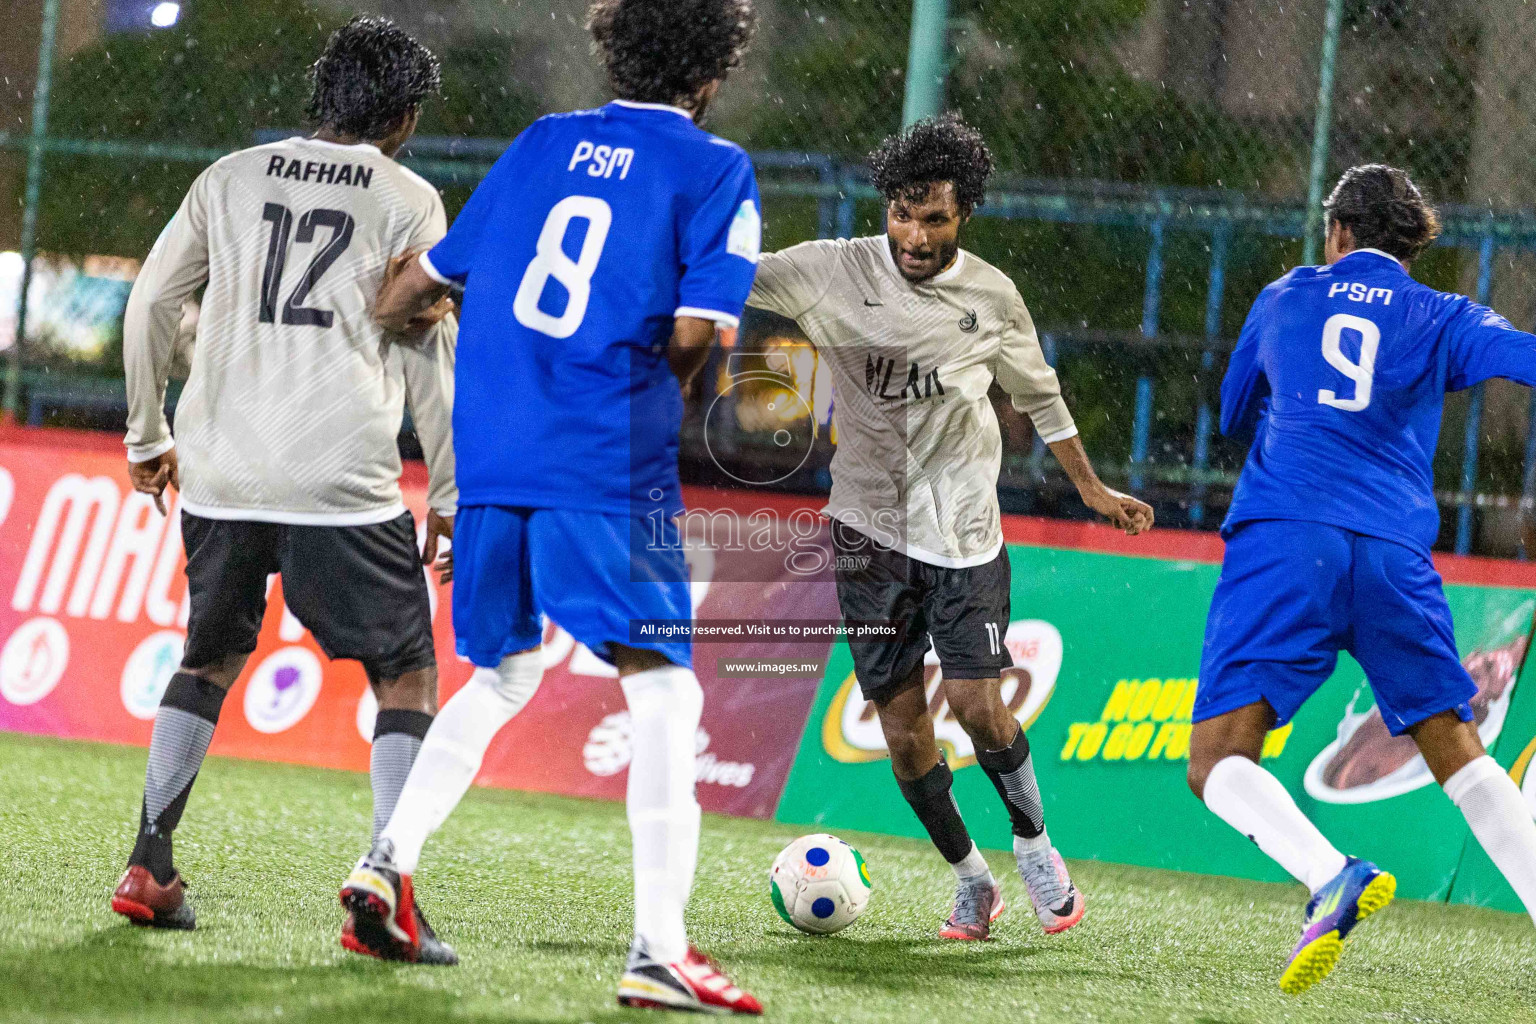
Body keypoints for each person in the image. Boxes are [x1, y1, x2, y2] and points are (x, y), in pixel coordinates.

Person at [337, 0, 764, 1012]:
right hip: (602, 464)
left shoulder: (540, 144)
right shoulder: (714, 169)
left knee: (506, 667)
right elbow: (701, 337)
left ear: (616, 50)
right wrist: (673, 387)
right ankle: (660, 948)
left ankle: (386, 863)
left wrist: (458, 315)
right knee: (666, 687)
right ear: (710, 74)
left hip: (493, 460)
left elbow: (404, 295)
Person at [745, 115, 1154, 941]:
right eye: (903, 212)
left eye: (934, 216)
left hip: (963, 532)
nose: (916, 234)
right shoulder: (827, 271)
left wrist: (1093, 488)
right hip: (865, 532)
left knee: (977, 705)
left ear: (964, 212)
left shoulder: (991, 296)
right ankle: (972, 881)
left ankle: (1036, 846)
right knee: (903, 738)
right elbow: (718, 279)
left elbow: (1041, 397)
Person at [112, 17, 459, 964]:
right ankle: (388, 883)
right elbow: (429, 343)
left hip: (221, 469)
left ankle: (149, 862)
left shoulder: (229, 175)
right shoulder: (408, 197)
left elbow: (150, 302)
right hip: (338, 478)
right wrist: (453, 488)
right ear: (401, 114)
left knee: (209, 654)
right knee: (407, 675)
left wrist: (149, 433)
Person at [1190, 163, 1536, 995]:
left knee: (1217, 762)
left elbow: (1232, 412)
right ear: (1409, 247)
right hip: (1393, 553)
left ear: (1336, 232)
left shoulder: (1283, 298)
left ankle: (1327, 874)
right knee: (1459, 751)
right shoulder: (1442, 313)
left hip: (1288, 539)